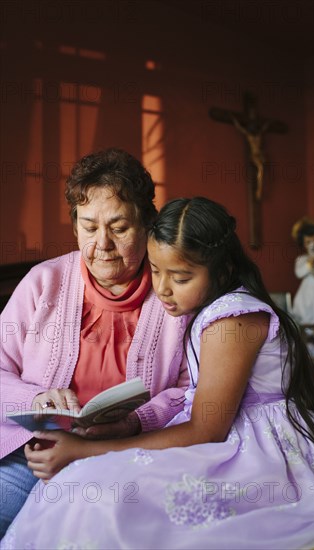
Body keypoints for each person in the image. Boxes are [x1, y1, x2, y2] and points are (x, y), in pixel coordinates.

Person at [2, 197, 314, 550]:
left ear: (220, 270)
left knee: (98, 491)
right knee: (86, 485)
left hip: (258, 451)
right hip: (216, 431)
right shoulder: (208, 311)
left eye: (180, 277)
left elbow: (207, 429)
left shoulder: (232, 319)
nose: (162, 290)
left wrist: (84, 451)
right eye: (156, 272)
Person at [0, 148, 189, 538]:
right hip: (31, 452)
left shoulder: (174, 293)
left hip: (127, 455)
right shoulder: (42, 282)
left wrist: (136, 421)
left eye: (119, 227)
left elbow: (192, 390)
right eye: (89, 227)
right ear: (74, 227)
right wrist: (36, 400)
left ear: (146, 224)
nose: (102, 243)